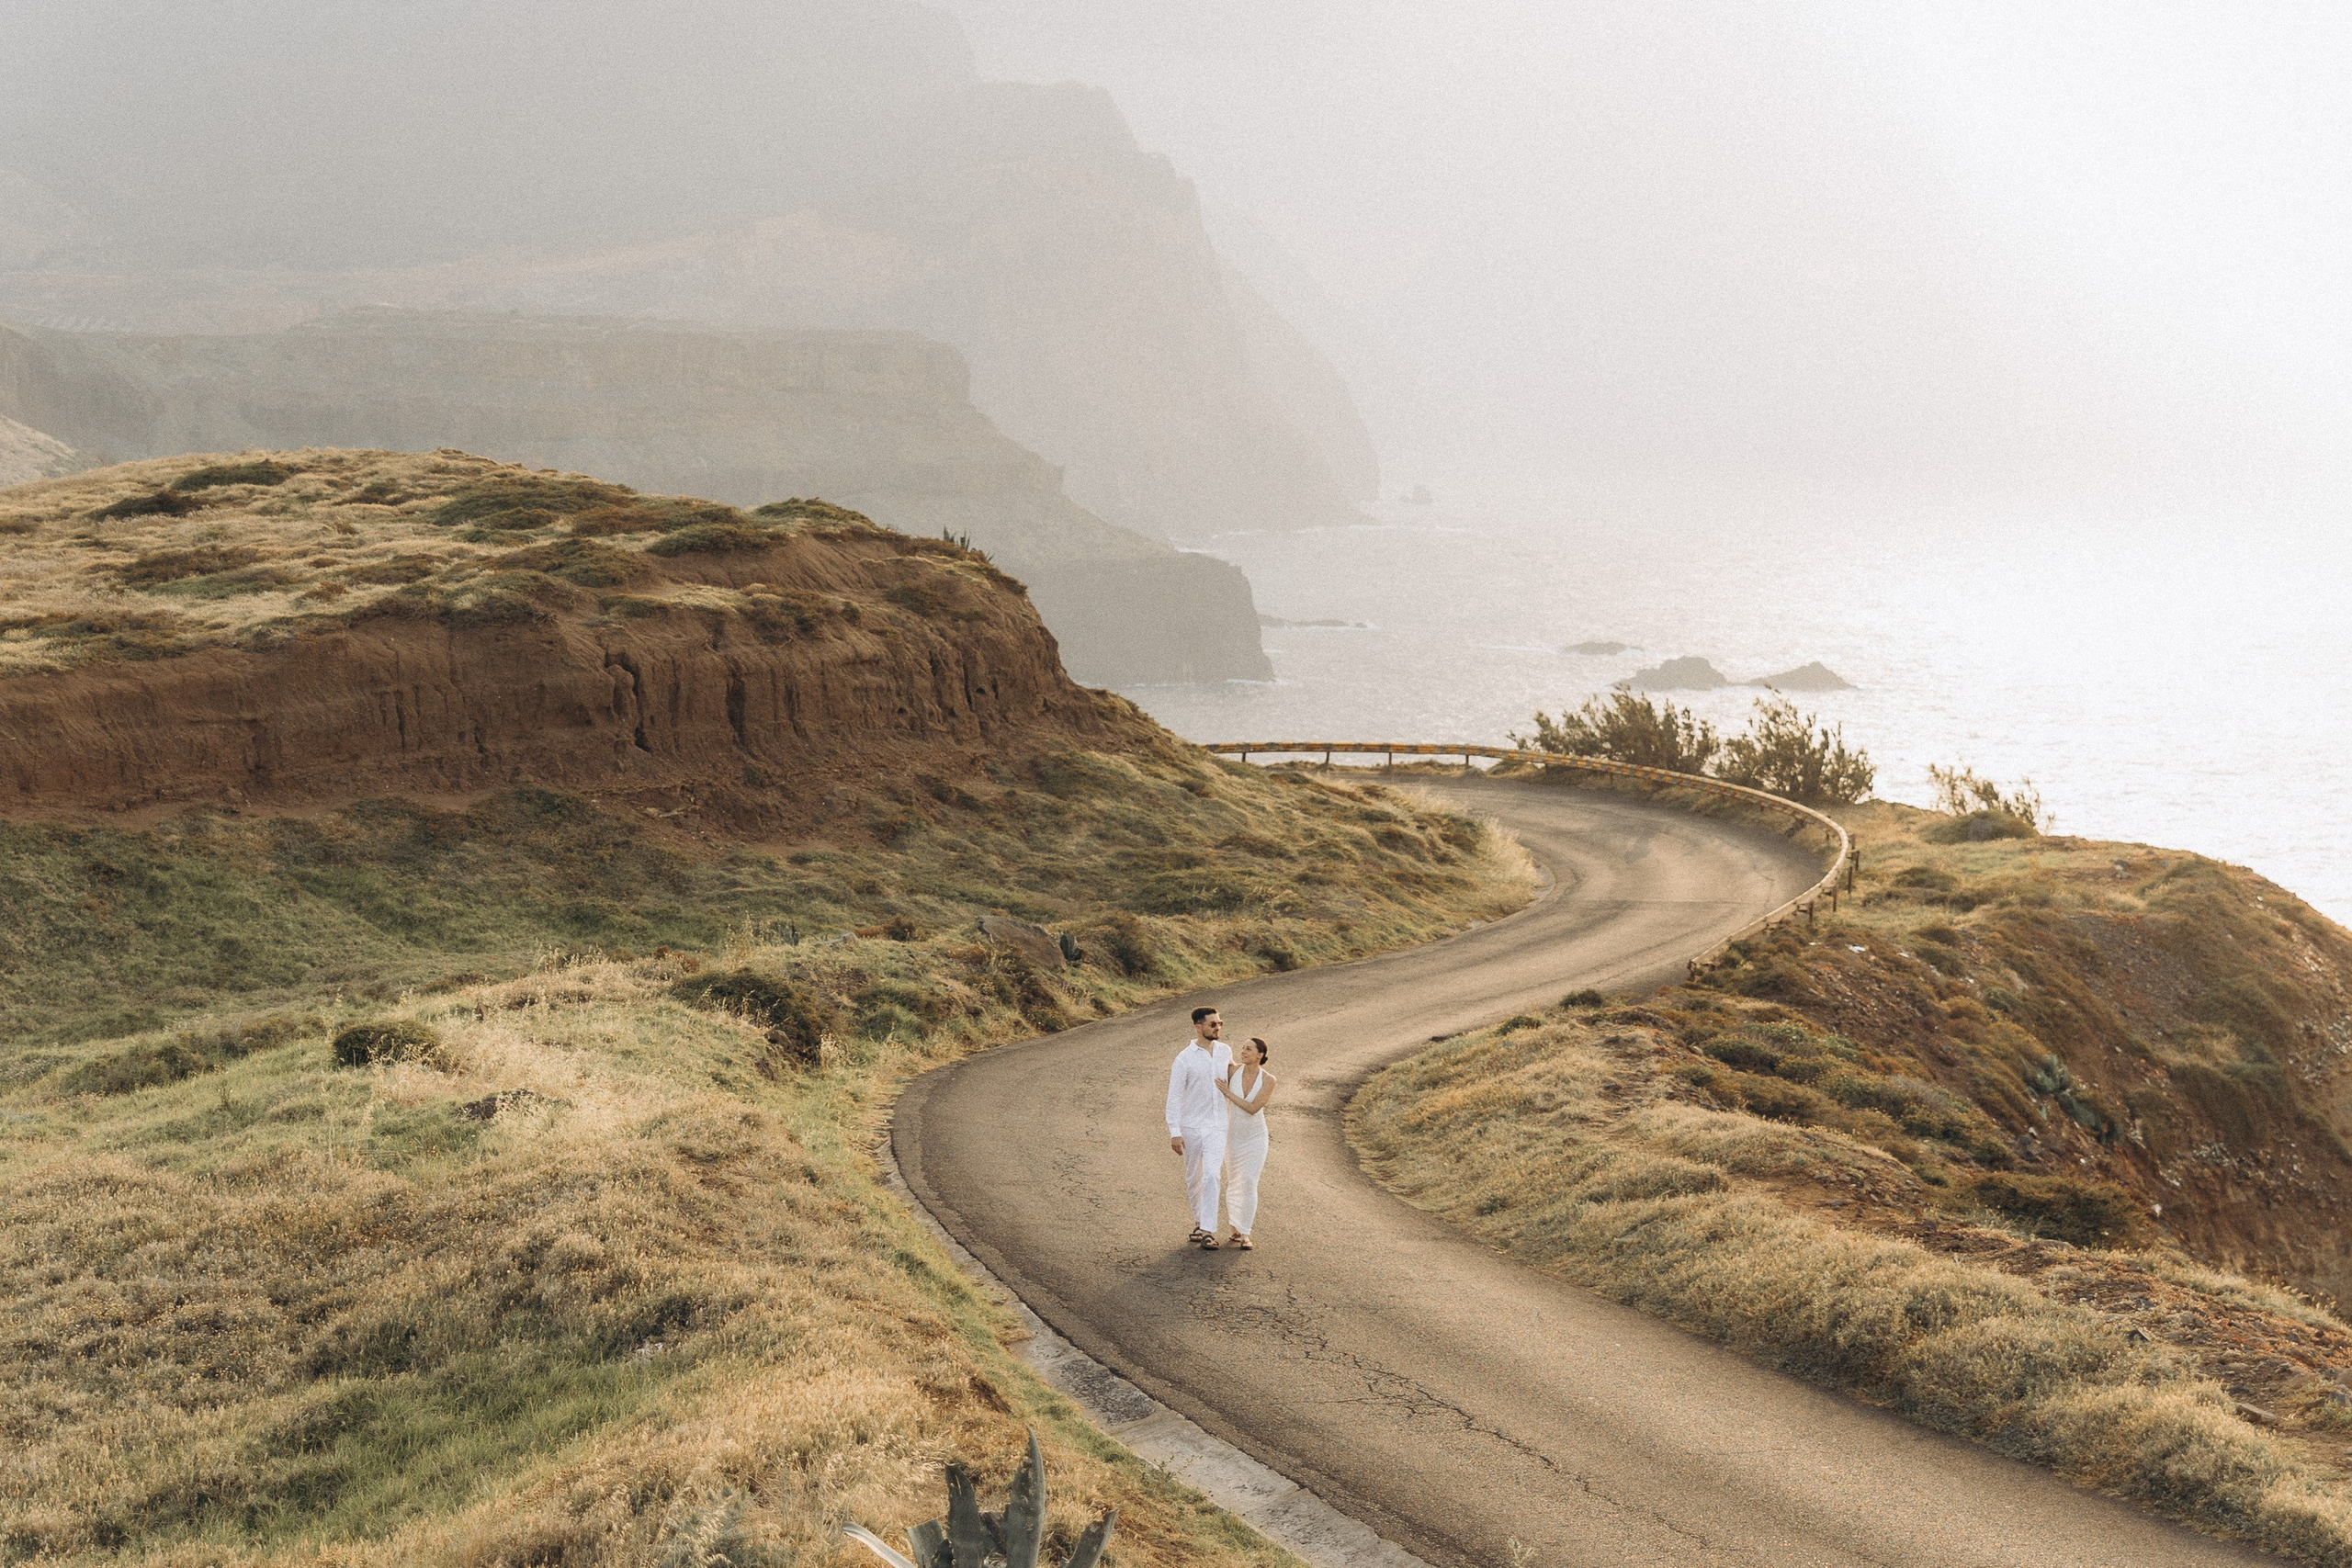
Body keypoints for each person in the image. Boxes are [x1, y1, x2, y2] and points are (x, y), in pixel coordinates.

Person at [1165, 1005, 1233, 1247]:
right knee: (1195, 1177)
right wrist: (1175, 1132)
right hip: (1192, 1126)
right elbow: (1173, 1097)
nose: (1218, 1027)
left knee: (1213, 1175)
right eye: (1213, 1024)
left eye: (1220, 1023)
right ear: (1199, 1027)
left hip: (1218, 1125)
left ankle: (1207, 1230)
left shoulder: (1225, 1051)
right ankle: (1199, 1221)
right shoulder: (1184, 1059)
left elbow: (1235, 1078)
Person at [1216, 1035, 1276, 1250]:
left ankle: (1245, 1233)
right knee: (1234, 1181)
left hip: (1255, 1137)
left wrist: (1227, 1093)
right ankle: (1234, 1227)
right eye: (1242, 1048)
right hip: (1232, 1136)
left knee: (1249, 1181)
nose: (1243, 1051)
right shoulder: (1233, 1071)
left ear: (1259, 1055)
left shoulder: (1269, 1080)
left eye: (1248, 1049)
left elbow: (1253, 1109)